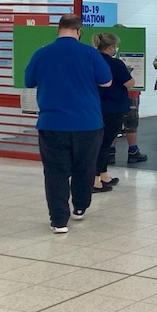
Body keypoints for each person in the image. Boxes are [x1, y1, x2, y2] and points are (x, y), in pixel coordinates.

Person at [24, 14, 112, 233]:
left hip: (52, 123)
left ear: (58, 29)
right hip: (87, 123)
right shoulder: (90, 53)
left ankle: (58, 221)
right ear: (79, 30)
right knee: (85, 168)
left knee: (55, 172)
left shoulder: (42, 53)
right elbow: (106, 81)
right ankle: (80, 208)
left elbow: (28, 81)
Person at [92, 33, 134, 192]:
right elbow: (129, 82)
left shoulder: (92, 60)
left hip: (96, 107)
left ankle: (103, 175)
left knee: (100, 141)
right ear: (111, 47)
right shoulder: (116, 64)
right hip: (113, 108)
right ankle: (95, 180)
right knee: (104, 144)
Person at [109, 23, 147, 165]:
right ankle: (133, 151)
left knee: (113, 124)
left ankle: (110, 152)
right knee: (131, 123)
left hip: (113, 95)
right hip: (130, 93)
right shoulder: (134, 47)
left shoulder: (106, 57)